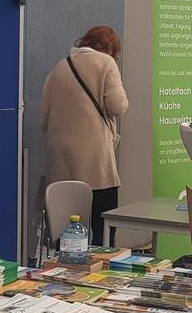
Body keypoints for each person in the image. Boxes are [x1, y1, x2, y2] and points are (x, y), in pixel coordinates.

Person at [41, 26, 128, 246]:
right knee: (103, 228)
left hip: (61, 161)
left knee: (65, 230)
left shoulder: (60, 67)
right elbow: (117, 106)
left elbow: (44, 116)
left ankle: (64, 264)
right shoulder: (106, 63)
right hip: (95, 161)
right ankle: (102, 264)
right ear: (108, 48)